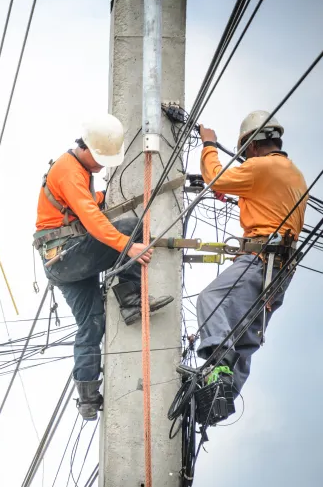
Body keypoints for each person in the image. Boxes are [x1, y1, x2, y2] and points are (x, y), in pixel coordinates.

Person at [33, 113, 174, 420]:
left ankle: (86, 397)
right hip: (67, 256)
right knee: (131, 226)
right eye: (99, 159)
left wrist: (100, 198)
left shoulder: (77, 171)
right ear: (85, 148)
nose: (101, 165)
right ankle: (130, 298)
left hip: (61, 262)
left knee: (92, 323)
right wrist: (128, 245)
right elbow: (93, 220)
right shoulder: (69, 171)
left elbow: (84, 203)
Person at [197, 111, 307, 396]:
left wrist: (209, 144)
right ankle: (223, 397)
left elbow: (215, 178)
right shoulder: (293, 173)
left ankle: (217, 364)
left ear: (253, 146)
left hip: (259, 259)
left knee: (212, 299)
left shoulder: (261, 167)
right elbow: (266, 204)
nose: (246, 159)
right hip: (281, 270)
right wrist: (239, 193)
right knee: (246, 334)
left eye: (246, 154)